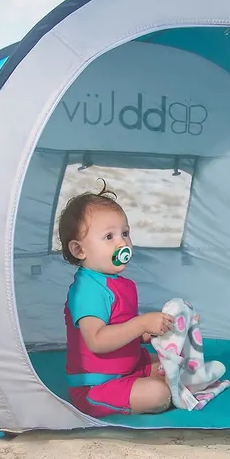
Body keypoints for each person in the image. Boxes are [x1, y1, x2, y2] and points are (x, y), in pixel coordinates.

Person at [58, 179, 174, 418]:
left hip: (130, 366)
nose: (122, 242)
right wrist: (140, 324)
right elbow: (97, 341)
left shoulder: (121, 284)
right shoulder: (87, 290)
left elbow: (123, 331)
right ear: (79, 250)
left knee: (172, 366)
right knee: (158, 394)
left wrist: (151, 332)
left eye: (125, 233)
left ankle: (172, 381)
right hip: (97, 385)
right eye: (109, 236)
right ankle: (127, 397)